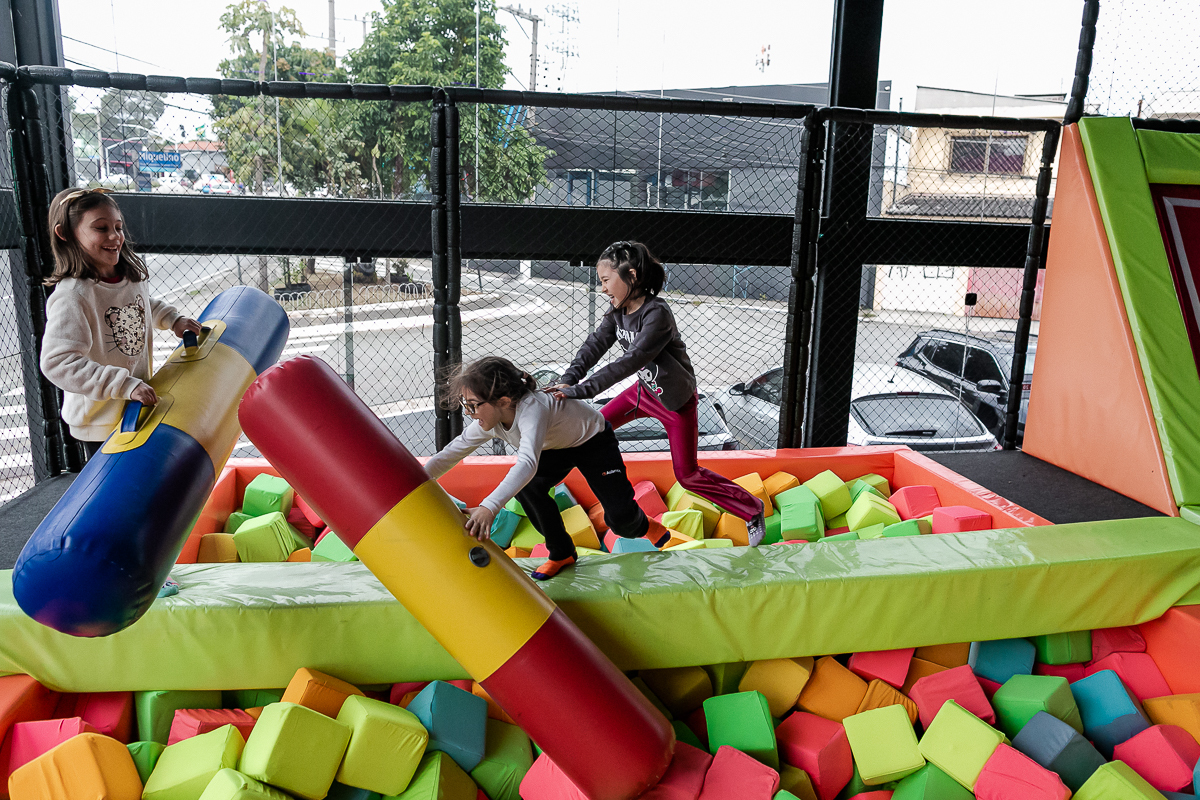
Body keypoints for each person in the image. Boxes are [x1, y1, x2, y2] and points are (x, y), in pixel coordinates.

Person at [547, 240, 767, 545]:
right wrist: (568, 379)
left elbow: (630, 361)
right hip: (643, 393)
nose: (604, 289)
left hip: (676, 404)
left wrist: (581, 391)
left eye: (607, 281)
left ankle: (752, 509)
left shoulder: (657, 315)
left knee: (687, 475)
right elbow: (594, 345)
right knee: (592, 429)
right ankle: (547, 484)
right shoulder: (617, 313)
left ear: (632, 276)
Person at [425, 356, 664, 580]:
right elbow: (451, 453)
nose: (469, 413)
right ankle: (562, 553)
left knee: (621, 521)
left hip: (593, 441)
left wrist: (489, 507)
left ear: (504, 401)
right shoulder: (488, 422)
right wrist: (420, 479)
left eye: (474, 405)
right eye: (465, 405)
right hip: (553, 448)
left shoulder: (533, 408)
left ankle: (644, 524)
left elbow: (527, 462)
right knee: (529, 488)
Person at [40, 187, 202, 458]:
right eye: (101, 228)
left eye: (118, 226)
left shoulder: (126, 277)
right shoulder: (74, 295)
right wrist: (123, 385)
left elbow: (142, 305)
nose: (115, 236)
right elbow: (58, 362)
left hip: (134, 405)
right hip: (100, 420)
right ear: (65, 234)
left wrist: (173, 319)